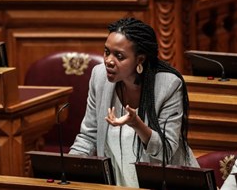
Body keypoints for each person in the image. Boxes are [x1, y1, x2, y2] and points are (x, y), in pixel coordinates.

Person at [69, 17, 199, 187]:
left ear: (140, 60)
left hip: (166, 183)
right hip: (118, 182)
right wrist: (68, 168)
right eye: (107, 52)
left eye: (119, 56)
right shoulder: (99, 77)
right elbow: (88, 136)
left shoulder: (168, 86)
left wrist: (137, 124)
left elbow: (165, 152)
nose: (108, 61)